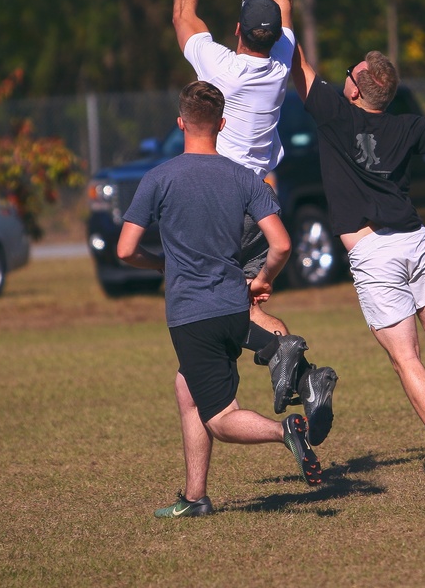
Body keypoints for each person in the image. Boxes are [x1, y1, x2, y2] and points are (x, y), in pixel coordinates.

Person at [291, 46, 425, 482]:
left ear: (357, 84)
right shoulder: (408, 126)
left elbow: (296, 61)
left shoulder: (334, 113)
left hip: (373, 252)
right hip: (416, 240)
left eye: (349, 71)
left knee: (406, 357)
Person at [117, 81, 322, 517]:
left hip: (193, 315)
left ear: (180, 122)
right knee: (186, 389)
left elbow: (124, 249)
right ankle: (195, 498)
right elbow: (282, 244)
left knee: (222, 418)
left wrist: (159, 264)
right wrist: (262, 279)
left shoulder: (159, 178)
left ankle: (285, 430)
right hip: (234, 309)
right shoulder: (244, 178)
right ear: (222, 124)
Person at [165, 0, 335, 444]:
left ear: (238, 32)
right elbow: (279, 14)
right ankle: (309, 379)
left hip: (223, 203)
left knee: (220, 312)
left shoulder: (223, 68)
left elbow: (182, 17)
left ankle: (279, 370)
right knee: (250, 308)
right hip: (263, 199)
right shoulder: (281, 59)